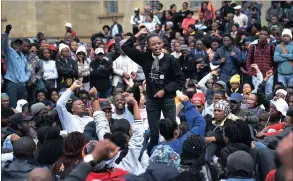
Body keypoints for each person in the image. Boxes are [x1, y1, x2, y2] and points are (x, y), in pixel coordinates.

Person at [121, 28, 185, 154]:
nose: (157, 46)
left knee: (171, 130)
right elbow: (125, 47)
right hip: (152, 101)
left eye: (159, 43)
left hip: (167, 100)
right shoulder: (144, 58)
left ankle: (174, 155)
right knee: (154, 132)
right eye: (153, 44)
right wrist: (138, 35)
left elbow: (180, 79)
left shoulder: (171, 59)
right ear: (149, 47)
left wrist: (165, 90)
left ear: (162, 43)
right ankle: (152, 157)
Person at [2, 24, 30, 108]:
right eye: (15, 43)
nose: (18, 45)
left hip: (23, 84)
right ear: (12, 45)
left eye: (19, 44)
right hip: (12, 83)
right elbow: (4, 45)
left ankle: (23, 121)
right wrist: (7, 33)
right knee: (13, 106)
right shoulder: (10, 52)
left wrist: (26, 78)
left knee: (23, 106)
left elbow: (27, 70)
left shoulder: (23, 56)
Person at [247, 26, 275, 95]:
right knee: (257, 93)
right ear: (259, 35)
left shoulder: (271, 46)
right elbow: (249, 61)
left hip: (268, 74)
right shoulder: (253, 46)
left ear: (268, 36)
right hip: (256, 74)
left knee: (268, 93)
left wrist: (273, 71)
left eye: (265, 34)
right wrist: (251, 72)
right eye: (261, 34)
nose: (262, 36)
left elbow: (275, 61)